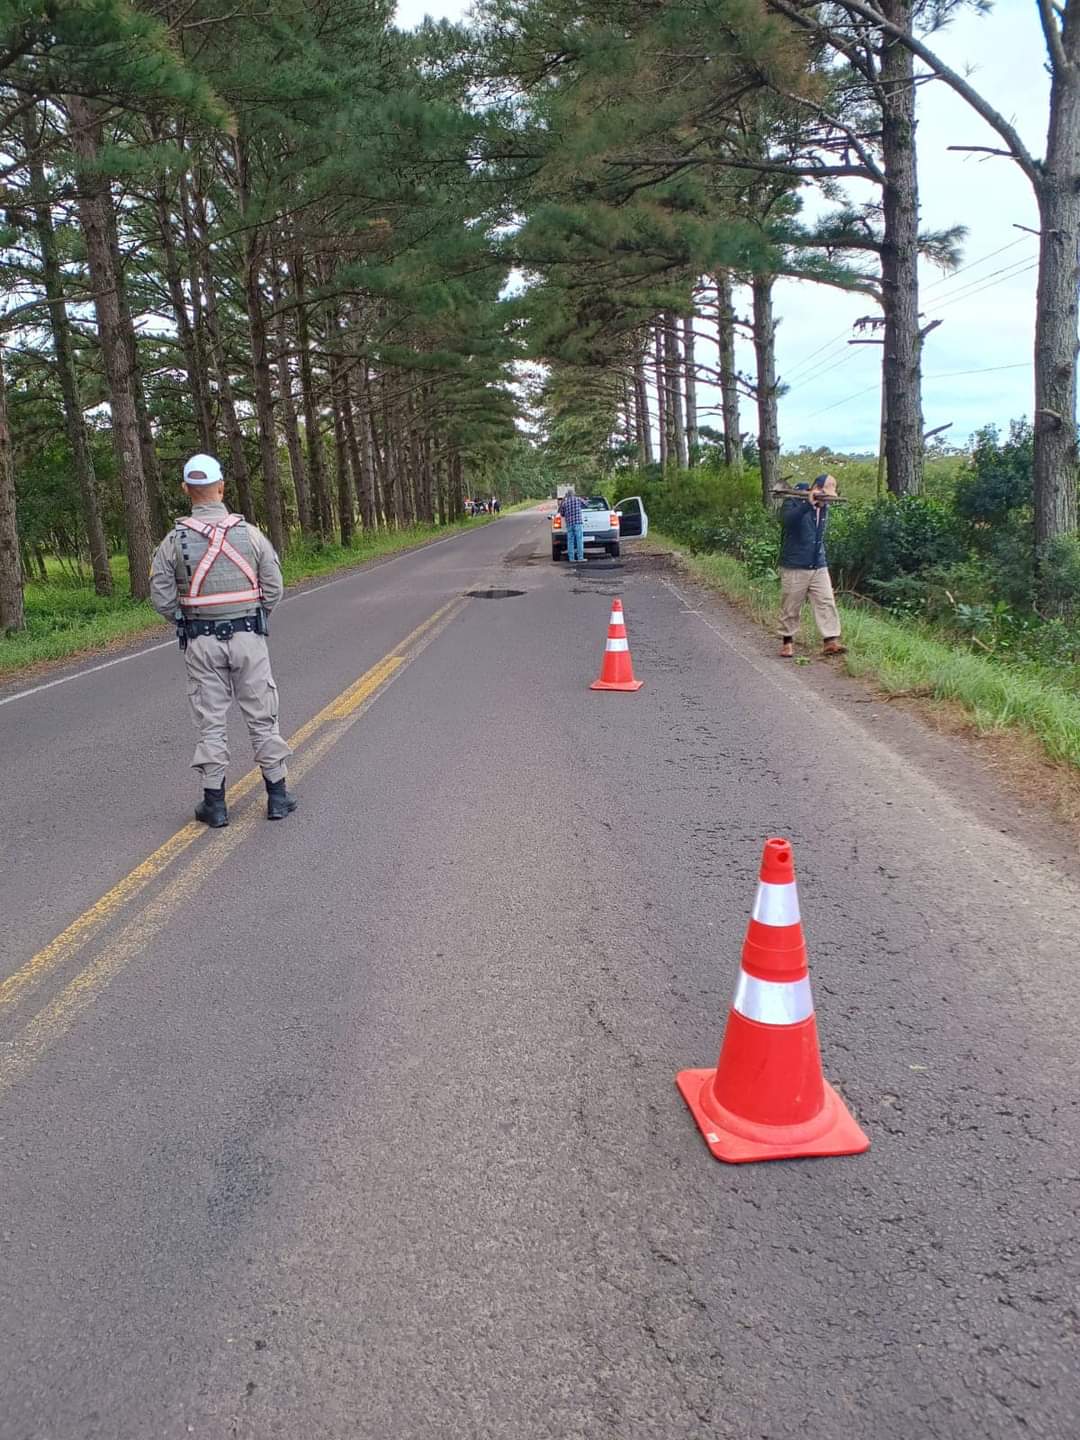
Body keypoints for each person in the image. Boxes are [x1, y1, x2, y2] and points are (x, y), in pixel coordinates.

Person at [150, 454, 298, 826]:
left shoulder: (173, 541)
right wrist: (254, 615)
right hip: (248, 635)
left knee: (211, 720)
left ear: (186, 490)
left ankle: (215, 805)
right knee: (263, 715)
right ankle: (277, 796)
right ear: (221, 488)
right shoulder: (250, 534)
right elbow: (275, 586)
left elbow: (162, 598)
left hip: (200, 641)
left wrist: (188, 618)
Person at [778, 473, 847, 659]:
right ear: (816, 488)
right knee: (791, 605)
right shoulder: (793, 502)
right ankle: (787, 641)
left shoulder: (824, 509)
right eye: (825, 494)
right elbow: (786, 521)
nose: (827, 500)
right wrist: (807, 505)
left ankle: (830, 641)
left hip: (818, 563)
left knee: (826, 601)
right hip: (795, 564)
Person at [559, 486, 586, 563]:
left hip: (569, 524)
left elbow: (562, 513)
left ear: (567, 495)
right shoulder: (578, 499)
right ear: (574, 494)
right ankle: (580, 558)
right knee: (579, 540)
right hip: (578, 523)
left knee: (570, 541)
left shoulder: (565, 502)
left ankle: (571, 558)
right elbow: (586, 504)